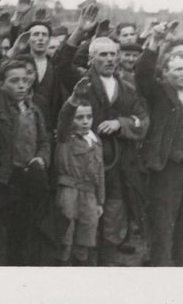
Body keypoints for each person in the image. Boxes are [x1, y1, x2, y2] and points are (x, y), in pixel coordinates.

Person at [53, 1, 149, 265]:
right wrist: (80, 32)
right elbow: (60, 64)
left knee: (113, 214)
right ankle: (82, 265)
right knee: (83, 217)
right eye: (103, 55)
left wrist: (121, 123)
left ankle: (106, 264)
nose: (109, 59)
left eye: (112, 54)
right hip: (84, 162)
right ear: (92, 58)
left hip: (117, 164)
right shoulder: (82, 80)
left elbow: (143, 119)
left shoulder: (127, 87)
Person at [134, 23, 183, 266]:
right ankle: (162, 270)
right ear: (166, 73)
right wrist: (155, 43)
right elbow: (143, 74)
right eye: (177, 69)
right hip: (167, 169)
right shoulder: (161, 95)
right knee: (163, 225)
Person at [0, 14, 51, 265]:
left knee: (26, 234)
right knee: (0, 237)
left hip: (29, 180)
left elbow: (44, 141)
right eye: (14, 81)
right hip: (5, 181)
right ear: (3, 84)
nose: (21, 85)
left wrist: (41, 159)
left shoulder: (33, 108)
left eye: (26, 80)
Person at [51, 77, 105, 266]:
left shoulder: (95, 140)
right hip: (69, 193)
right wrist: (74, 98)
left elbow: (100, 174)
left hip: (89, 196)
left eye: (88, 117)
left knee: (86, 239)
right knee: (65, 239)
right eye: (79, 117)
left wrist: (100, 201)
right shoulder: (66, 137)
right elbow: (65, 117)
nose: (85, 121)